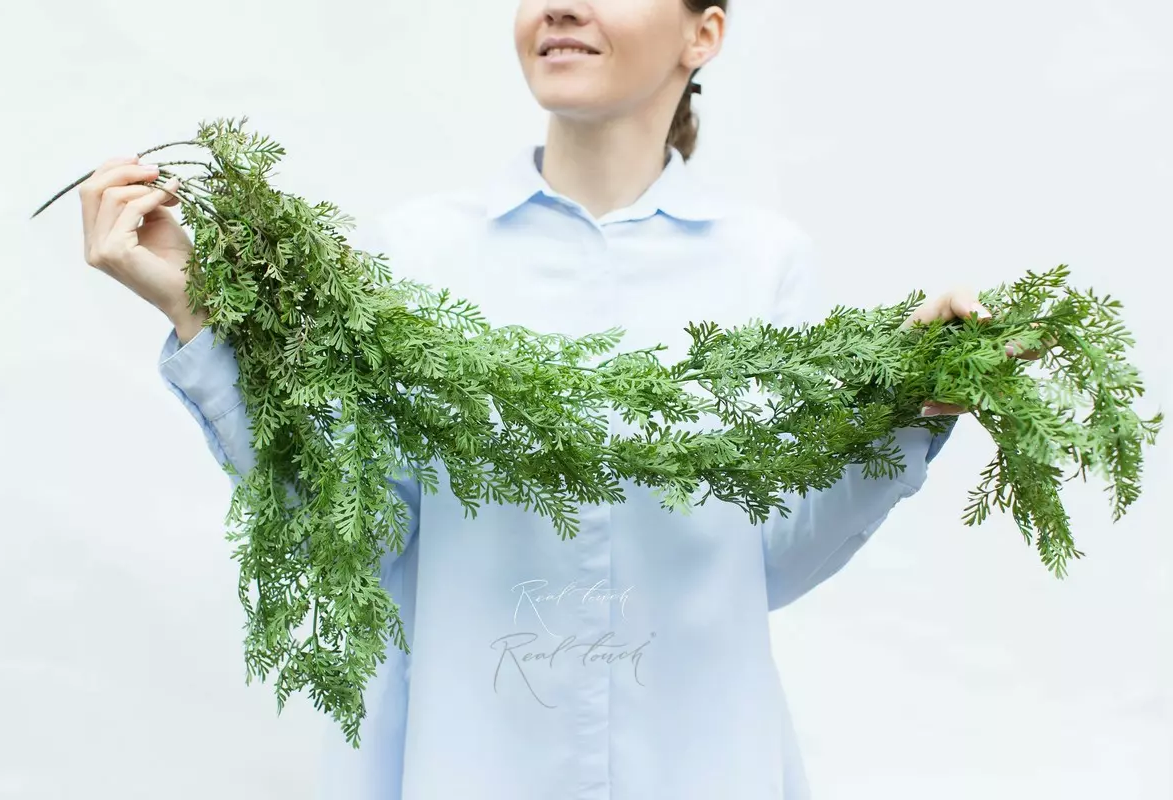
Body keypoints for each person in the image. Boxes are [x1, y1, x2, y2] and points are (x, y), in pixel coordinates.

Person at [77, 2, 1029, 797]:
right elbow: (357, 531)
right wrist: (202, 318)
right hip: (471, 762)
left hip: (699, 764)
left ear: (703, 33)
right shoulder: (415, 255)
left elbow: (772, 553)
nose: (562, 5)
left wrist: (907, 402)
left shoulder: (763, 262)